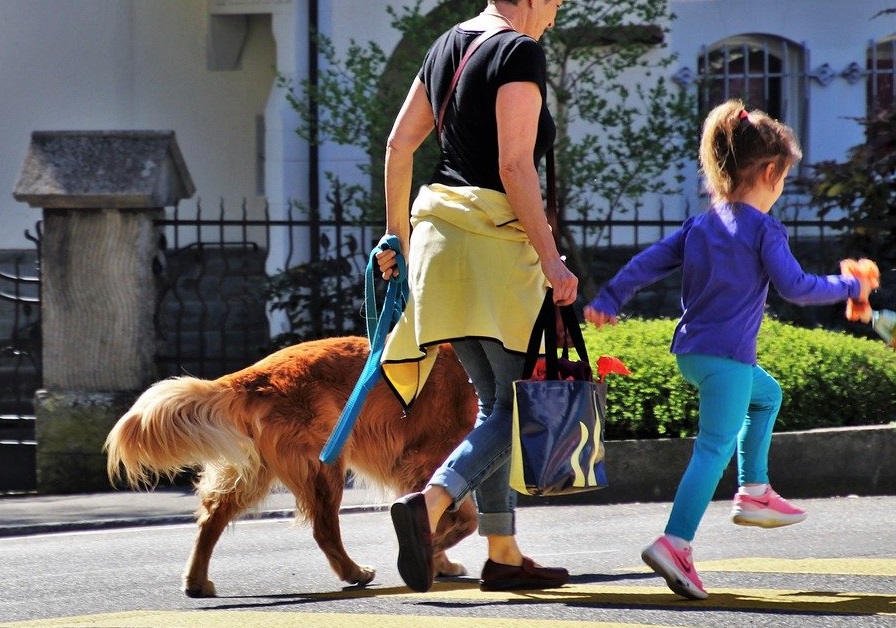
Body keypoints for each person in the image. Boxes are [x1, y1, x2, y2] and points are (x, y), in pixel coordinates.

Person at [583, 99, 875, 600]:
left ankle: (755, 489)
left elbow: (648, 261)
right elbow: (797, 287)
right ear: (769, 172)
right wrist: (850, 286)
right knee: (712, 449)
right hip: (727, 361)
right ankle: (675, 542)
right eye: (783, 177)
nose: (782, 187)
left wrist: (610, 298)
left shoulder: (701, 224)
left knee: (767, 396)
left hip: (693, 355)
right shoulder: (764, 228)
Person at [374, 0, 577, 593]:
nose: (558, 9)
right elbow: (515, 165)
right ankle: (432, 504)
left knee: (496, 404)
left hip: (440, 245)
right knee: (521, 408)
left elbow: (398, 145)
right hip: (493, 247)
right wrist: (550, 258)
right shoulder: (519, 50)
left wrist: (397, 241)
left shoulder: (448, 43)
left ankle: (504, 552)